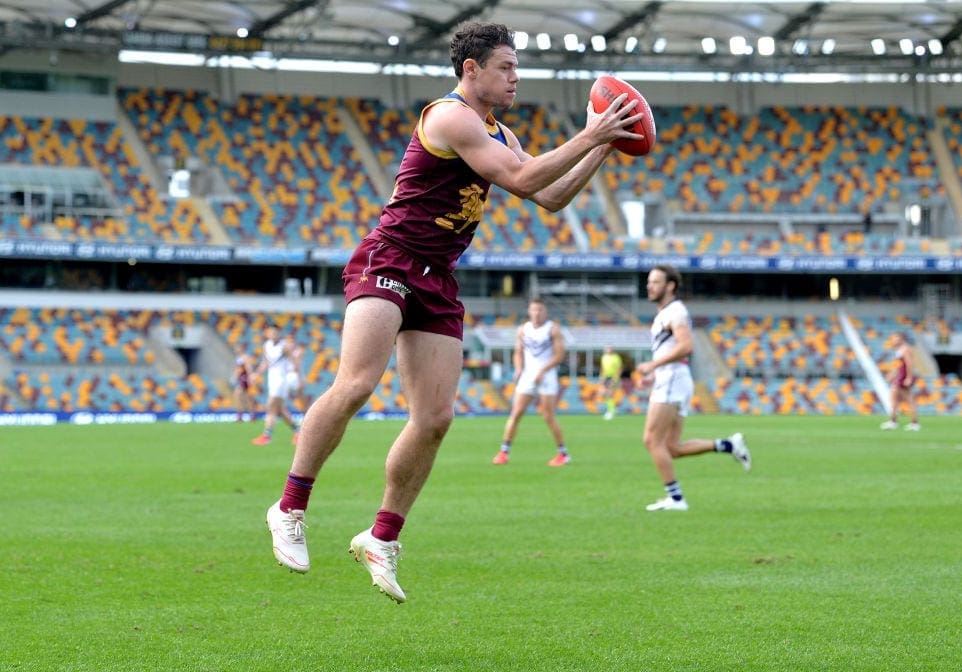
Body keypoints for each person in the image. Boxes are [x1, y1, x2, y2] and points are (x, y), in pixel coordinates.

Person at [265, 21, 646, 602]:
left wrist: (605, 145)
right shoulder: (449, 116)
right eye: (507, 67)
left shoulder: (499, 131)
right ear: (472, 70)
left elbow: (549, 194)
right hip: (389, 258)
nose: (516, 77)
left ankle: (381, 538)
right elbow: (521, 176)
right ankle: (290, 507)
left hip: (436, 277)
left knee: (436, 418)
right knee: (358, 383)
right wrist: (591, 134)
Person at [634, 264, 750, 512]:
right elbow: (671, 351)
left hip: (673, 379)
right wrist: (654, 375)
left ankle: (676, 499)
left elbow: (686, 347)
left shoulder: (675, 312)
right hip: (673, 378)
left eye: (655, 282)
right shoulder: (666, 313)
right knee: (672, 447)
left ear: (670, 286)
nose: (649, 286)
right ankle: (728, 445)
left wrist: (654, 365)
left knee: (652, 440)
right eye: (649, 282)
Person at [493, 298, 570, 466]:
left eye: (540, 310)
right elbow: (518, 352)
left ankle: (563, 453)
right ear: (529, 311)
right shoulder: (523, 329)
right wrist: (519, 368)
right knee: (516, 413)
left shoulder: (552, 329)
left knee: (548, 416)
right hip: (528, 376)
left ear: (545, 312)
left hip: (547, 376)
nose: (537, 313)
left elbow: (559, 356)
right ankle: (504, 452)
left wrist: (542, 371)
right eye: (534, 310)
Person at [252, 326, 303, 446]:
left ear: (279, 333)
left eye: (275, 332)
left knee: (271, 405)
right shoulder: (266, 345)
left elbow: (294, 360)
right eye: (271, 332)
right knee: (279, 409)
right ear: (268, 333)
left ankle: (267, 435)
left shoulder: (284, 346)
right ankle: (298, 432)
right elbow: (265, 362)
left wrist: (296, 373)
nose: (273, 334)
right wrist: (256, 373)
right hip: (272, 379)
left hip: (281, 379)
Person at [880, 332, 919, 431]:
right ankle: (901, 421)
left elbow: (909, 364)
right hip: (901, 376)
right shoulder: (899, 350)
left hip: (903, 377)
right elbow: (900, 366)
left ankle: (895, 421)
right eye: (893, 338)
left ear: (901, 338)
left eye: (895, 338)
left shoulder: (905, 349)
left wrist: (909, 377)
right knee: (899, 398)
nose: (893, 340)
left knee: (902, 398)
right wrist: (893, 374)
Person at [231, 342, 257, 422]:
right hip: (241, 378)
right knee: (245, 397)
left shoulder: (245, 357)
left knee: (239, 395)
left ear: (241, 348)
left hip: (245, 378)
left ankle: (241, 415)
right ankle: (249, 415)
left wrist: (250, 377)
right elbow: (238, 369)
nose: (236, 350)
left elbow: (248, 367)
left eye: (238, 348)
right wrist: (234, 376)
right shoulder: (238, 357)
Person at [598, 345, 624, 420]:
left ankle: (611, 411)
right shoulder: (604, 357)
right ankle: (611, 410)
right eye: (607, 348)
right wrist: (601, 377)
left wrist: (617, 378)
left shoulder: (616, 357)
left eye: (610, 348)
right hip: (606, 377)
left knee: (609, 393)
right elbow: (603, 368)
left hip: (613, 377)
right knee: (603, 393)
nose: (608, 350)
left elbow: (620, 368)